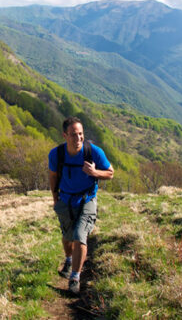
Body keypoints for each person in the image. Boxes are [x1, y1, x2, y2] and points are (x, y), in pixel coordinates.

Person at [48, 116, 114, 295]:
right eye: (73, 135)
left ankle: (75, 277)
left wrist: (94, 172)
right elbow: (53, 176)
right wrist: (56, 199)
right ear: (64, 135)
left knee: (79, 235)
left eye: (80, 134)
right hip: (66, 201)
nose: (78, 139)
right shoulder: (56, 154)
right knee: (67, 237)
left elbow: (110, 173)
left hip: (87, 200)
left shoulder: (93, 152)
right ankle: (69, 260)